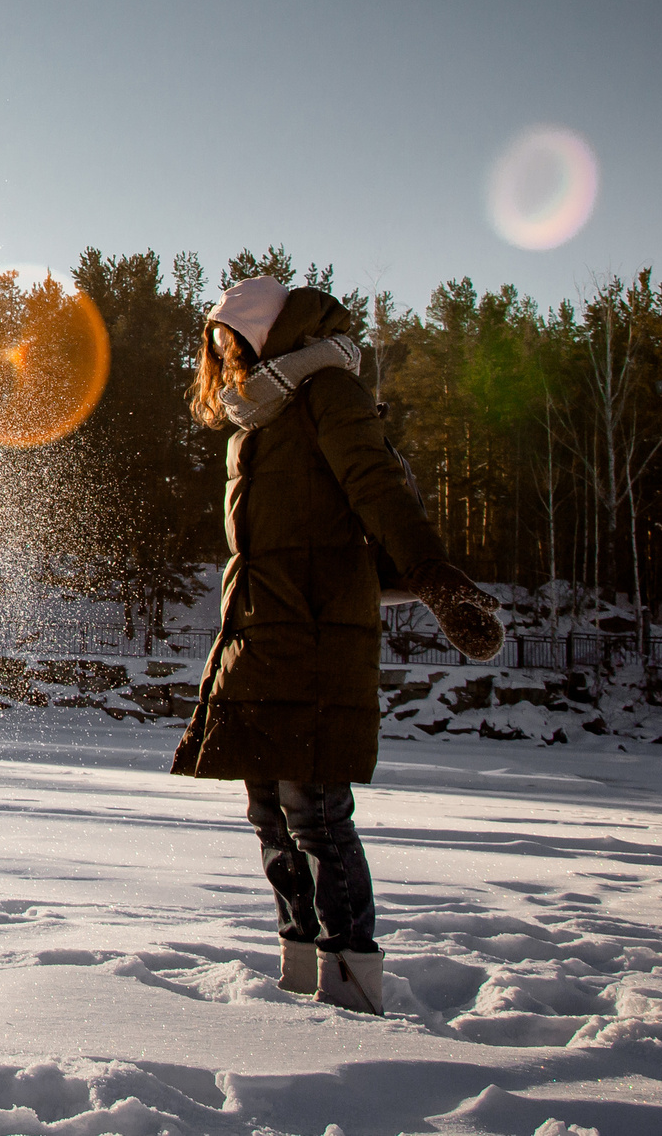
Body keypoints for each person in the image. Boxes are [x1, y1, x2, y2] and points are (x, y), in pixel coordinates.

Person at [171, 277, 503, 1014]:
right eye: (215, 340)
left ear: (267, 332)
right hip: (258, 632)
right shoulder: (255, 418)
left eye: (230, 336)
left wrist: (438, 578)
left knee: (316, 811)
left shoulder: (329, 393)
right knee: (267, 808)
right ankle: (297, 964)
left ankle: (351, 979)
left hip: (317, 634)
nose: (220, 351)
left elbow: (380, 489)